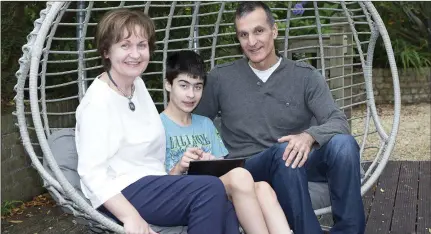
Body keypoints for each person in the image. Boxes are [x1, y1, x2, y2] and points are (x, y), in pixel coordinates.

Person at [194, 2, 365, 234]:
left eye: (258, 31)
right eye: (243, 35)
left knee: (343, 145)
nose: (252, 42)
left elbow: (338, 122)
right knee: (283, 151)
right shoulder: (221, 78)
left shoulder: (305, 76)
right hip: (249, 167)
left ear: (274, 31)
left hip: (298, 162)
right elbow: (194, 122)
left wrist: (308, 137)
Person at [75, 9, 241, 234]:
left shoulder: (137, 86)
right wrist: (131, 217)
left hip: (154, 184)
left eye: (142, 45)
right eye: (125, 45)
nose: (135, 54)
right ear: (106, 51)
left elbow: (151, 157)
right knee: (210, 188)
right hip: (121, 192)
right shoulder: (97, 102)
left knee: (224, 202)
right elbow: (92, 175)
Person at [160, 50, 292, 234]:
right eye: (184, 85)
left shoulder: (205, 124)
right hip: (182, 196)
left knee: (263, 188)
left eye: (197, 87)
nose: (191, 94)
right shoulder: (157, 127)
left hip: (214, 189)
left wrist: (211, 161)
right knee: (241, 176)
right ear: (168, 84)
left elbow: (225, 171)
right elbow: (154, 189)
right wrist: (179, 167)